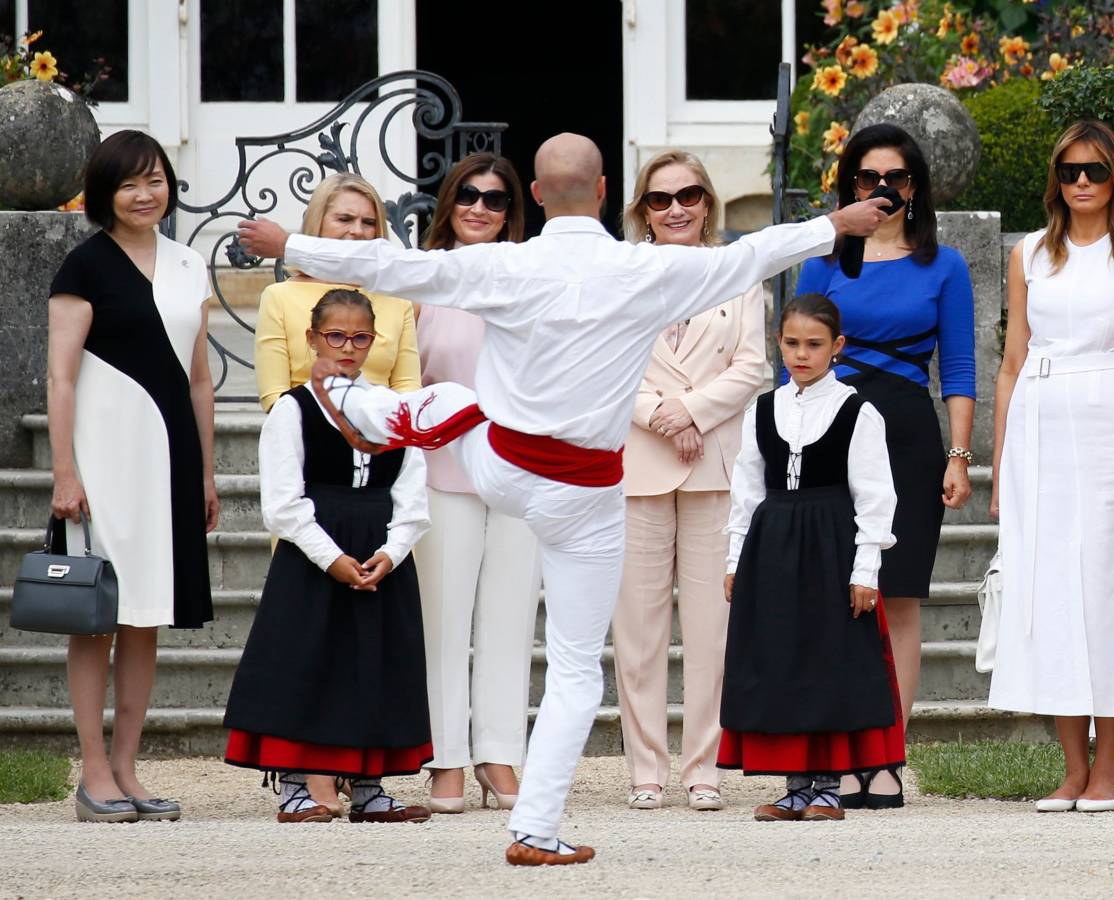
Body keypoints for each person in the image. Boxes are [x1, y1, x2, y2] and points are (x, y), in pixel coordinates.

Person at [237, 131, 891, 864]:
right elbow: (752, 255)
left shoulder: (507, 263)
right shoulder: (648, 269)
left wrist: (292, 243)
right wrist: (837, 223)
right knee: (577, 670)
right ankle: (535, 828)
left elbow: (399, 266)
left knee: (455, 400)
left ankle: (364, 405)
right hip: (585, 488)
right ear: (605, 191)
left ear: (537, 195)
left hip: (502, 465)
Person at [988, 120, 1114, 813]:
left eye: (1095, 169)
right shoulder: (1030, 254)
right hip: (1037, 422)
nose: (1083, 182)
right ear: (1056, 180)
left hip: (1112, 421)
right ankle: (1070, 769)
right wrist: (1001, 467)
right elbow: (1010, 364)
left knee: (1110, 587)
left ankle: (1107, 770)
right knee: (1050, 593)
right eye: (1070, 171)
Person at [794, 123, 976, 806]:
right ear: (850, 185)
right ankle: (842, 752)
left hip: (906, 434)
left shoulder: (944, 265)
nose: (882, 189)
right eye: (868, 177)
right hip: (832, 430)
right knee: (838, 596)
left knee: (896, 595)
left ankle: (887, 757)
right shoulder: (821, 263)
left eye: (895, 177)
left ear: (915, 186)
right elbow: (795, 363)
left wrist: (959, 456)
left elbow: (959, 367)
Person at [48, 130, 217, 824]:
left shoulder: (189, 264)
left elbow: (200, 379)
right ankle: (92, 773)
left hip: (168, 462)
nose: (145, 195)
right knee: (97, 621)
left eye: (155, 180)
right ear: (104, 195)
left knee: (146, 617)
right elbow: (60, 378)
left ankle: (126, 768)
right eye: (128, 184)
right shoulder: (83, 267)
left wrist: (206, 472)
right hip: (102, 463)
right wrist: (64, 472)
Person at [222, 288, 433, 824]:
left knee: (374, 662)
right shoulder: (293, 410)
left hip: (378, 552)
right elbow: (282, 504)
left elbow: (412, 496)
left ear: (374, 341)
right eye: (336, 336)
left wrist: (392, 551)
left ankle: (368, 785)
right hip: (314, 554)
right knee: (306, 661)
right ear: (313, 338)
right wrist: (332, 558)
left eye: (360, 337)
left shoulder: (393, 410)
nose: (348, 347)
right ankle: (295, 784)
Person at [613, 151, 766, 813]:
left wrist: (693, 412)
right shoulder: (621, 273)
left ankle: (704, 766)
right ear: (642, 209)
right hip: (638, 462)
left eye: (688, 195)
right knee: (638, 630)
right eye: (660, 198)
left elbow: (753, 366)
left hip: (713, 464)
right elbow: (605, 362)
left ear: (707, 202)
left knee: (712, 630)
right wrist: (660, 415)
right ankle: (645, 769)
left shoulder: (737, 271)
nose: (675, 208)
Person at [718, 294, 905, 822]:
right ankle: (795, 786)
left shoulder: (856, 410)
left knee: (827, 661)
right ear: (779, 343)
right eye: (793, 343)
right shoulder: (762, 409)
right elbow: (747, 491)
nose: (802, 354)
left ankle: (827, 787)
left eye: (815, 344)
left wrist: (865, 570)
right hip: (773, 547)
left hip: (830, 546)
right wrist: (735, 560)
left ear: (837, 346)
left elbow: (875, 496)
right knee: (781, 659)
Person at [414, 153, 538, 814]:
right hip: (443, 467)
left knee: (510, 620)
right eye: (468, 194)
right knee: (443, 620)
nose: (480, 208)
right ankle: (447, 758)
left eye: (495, 198)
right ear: (449, 202)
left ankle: (499, 753)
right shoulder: (424, 277)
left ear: (511, 210)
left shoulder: (532, 276)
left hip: (521, 469)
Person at [254, 173, 420, 412]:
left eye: (368, 222)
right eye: (344, 219)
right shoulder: (279, 297)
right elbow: (274, 397)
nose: (357, 231)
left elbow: (408, 387)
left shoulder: (397, 298)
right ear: (318, 222)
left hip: (381, 426)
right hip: (306, 427)